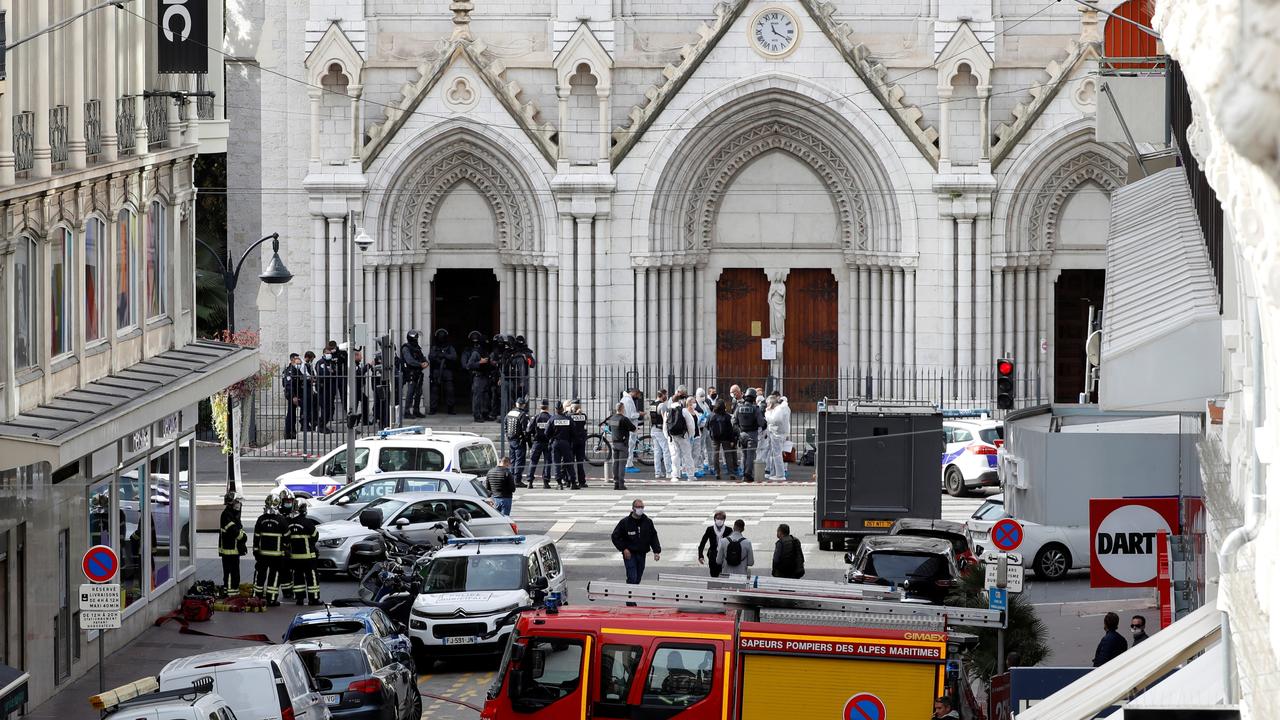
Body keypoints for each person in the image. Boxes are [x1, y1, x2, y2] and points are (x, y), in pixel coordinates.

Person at [611, 499, 661, 593]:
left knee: (638, 578)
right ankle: (630, 601)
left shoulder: (648, 522)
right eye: (638, 507)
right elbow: (615, 537)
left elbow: (653, 536)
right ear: (633, 508)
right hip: (630, 554)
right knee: (632, 577)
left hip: (642, 553)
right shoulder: (625, 522)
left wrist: (656, 551)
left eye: (642, 507)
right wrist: (624, 549)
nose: (640, 509)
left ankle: (631, 594)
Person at [251, 494, 287, 606]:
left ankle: (257, 597)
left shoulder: (261, 519)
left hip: (262, 555)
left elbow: (256, 537)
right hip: (276, 556)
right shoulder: (282, 520)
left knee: (260, 575)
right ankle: (271, 599)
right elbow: (287, 538)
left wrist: (256, 551)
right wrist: (284, 552)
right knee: (274, 576)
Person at [285, 498, 322, 606]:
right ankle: (314, 599)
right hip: (308, 557)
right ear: (303, 510)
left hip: (295, 558)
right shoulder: (307, 522)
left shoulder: (289, 523)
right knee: (312, 578)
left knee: (298, 578)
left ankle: (299, 599)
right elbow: (315, 536)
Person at [733, 389, 766, 482]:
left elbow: (733, 421)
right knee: (751, 456)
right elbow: (761, 422)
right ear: (754, 398)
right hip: (752, 434)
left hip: (742, 434)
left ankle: (744, 473)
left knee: (744, 455)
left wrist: (739, 432)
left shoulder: (738, 408)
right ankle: (748, 474)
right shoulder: (756, 409)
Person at [218, 492, 247, 596]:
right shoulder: (226, 515)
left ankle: (231, 591)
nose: (239, 504)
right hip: (229, 550)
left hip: (233, 549)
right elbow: (235, 532)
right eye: (237, 502)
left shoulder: (233, 514)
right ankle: (231, 594)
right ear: (232, 503)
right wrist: (244, 537)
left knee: (234, 573)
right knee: (230, 572)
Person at [604, 402, 637, 490]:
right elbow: (633, 429)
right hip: (623, 444)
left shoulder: (612, 418)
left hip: (614, 443)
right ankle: (621, 484)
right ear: (622, 409)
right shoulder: (624, 419)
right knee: (622, 464)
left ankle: (616, 482)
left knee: (615, 463)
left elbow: (610, 428)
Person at [462, 331, 492, 422]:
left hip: (486, 376)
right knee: (477, 397)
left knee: (486, 397)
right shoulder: (476, 353)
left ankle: (485, 413)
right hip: (478, 377)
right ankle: (477, 415)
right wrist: (479, 362)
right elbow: (468, 365)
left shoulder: (486, 352)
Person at [665, 396, 695, 481]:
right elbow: (690, 424)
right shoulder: (683, 410)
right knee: (687, 455)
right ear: (680, 401)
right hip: (683, 436)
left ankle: (675, 475)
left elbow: (665, 425)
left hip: (672, 437)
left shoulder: (668, 411)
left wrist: (667, 436)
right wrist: (691, 435)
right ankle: (690, 475)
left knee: (674, 456)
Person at [427, 328, 457, 415]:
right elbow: (431, 357)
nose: (441, 338)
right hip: (437, 371)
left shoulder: (450, 347)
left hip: (447, 371)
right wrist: (438, 356)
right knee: (434, 391)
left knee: (449, 390)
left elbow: (454, 357)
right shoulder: (434, 347)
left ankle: (451, 408)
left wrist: (444, 355)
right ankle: (433, 408)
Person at [706, 400, 739, 479]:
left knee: (715, 454)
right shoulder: (727, 416)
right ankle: (731, 473)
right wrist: (732, 440)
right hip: (726, 438)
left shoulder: (711, 416)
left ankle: (717, 472)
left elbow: (707, 426)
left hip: (715, 438)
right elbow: (730, 429)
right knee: (728, 455)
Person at [400, 330, 429, 419]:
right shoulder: (406, 348)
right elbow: (409, 361)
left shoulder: (417, 348)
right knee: (410, 392)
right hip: (410, 373)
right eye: (415, 338)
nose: (416, 340)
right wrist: (420, 364)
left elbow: (422, 357)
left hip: (418, 373)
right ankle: (407, 411)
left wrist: (426, 362)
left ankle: (416, 410)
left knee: (418, 392)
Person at [527, 399, 554, 488]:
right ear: (548, 407)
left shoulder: (535, 417)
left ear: (540, 407)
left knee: (533, 462)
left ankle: (530, 482)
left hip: (537, 442)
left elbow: (528, 430)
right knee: (547, 462)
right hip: (547, 442)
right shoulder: (550, 418)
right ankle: (546, 482)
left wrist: (530, 443)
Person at [504, 397, 531, 486]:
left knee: (512, 459)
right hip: (519, 440)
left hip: (511, 439)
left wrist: (507, 436)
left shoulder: (509, 413)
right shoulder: (522, 414)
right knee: (519, 460)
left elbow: (505, 425)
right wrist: (528, 441)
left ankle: (512, 479)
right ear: (523, 405)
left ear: (516, 404)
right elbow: (525, 430)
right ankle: (517, 480)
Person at [698, 511, 732, 577]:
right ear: (715, 519)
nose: (719, 520)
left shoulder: (728, 530)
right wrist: (700, 555)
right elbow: (702, 543)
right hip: (713, 556)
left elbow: (732, 544)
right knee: (714, 575)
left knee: (724, 576)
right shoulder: (710, 529)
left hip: (724, 556)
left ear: (724, 520)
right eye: (718, 518)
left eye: (721, 519)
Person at [549, 401, 574, 489]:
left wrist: (552, 437)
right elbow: (573, 432)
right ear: (562, 409)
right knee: (569, 463)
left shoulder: (552, 419)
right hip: (566, 443)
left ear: (556, 410)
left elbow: (546, 432)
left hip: (556, 443)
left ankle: (559, 483)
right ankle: (573, 482)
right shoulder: (568, 419)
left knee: (557, 463)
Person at [648, 390, 672, 479]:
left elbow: (650, 417)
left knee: (657, 452)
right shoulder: (662, 405)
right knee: (666, 451)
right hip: (660, 430)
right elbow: (665, 419)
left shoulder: (652, 404)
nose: (666, 396)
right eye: (666, 395)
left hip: (653, 429)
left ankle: (657, 472)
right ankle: (668, 472)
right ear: (663, 395)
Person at [620, 388, 644, 472]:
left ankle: (629, 464)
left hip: (629, 426)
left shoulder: (626, 399)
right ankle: (628, 465)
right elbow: (631, 415)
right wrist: (639, 414)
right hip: (630, 426)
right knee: (630, 446)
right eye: (638, 395)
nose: (638, 397)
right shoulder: (628, 400)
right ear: (635, 393)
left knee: (630, 446)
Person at [282, 353, 304, 439]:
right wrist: (293, 396)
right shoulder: (289, 371)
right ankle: (289, 432)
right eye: (296, 359)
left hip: (299, 394)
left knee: (292, 414)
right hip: (292, 395)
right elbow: (288, 385)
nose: (298, 360)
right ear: (292, 360)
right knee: (291, 415)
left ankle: (292, 431)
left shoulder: (297, 369)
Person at [569, 399, 590, 489]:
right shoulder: (583, 416)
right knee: (580, 462)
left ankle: (571, 480)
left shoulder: (569, 416)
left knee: (570, 462)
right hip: (581, 441)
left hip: (572, 441)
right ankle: (582, 481)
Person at [694, 388, 714, 475]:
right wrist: (702, 419)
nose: (702, 397)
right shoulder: (695, 405)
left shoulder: (705, 403)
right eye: (700, 396)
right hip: (701, 429)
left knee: (710, 447)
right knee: (700, 448)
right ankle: (700, 467)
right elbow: (696, 419)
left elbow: (709, 413)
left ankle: (711, 465)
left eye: (703, 396)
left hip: (707, 428)